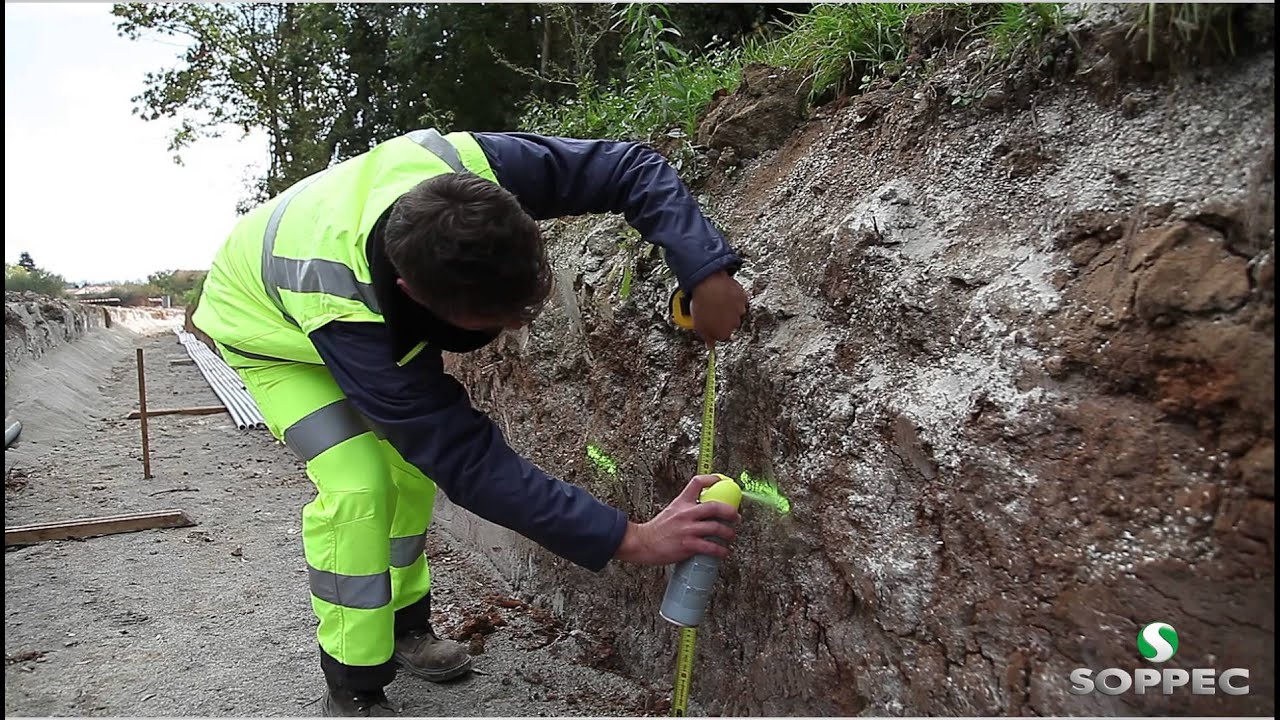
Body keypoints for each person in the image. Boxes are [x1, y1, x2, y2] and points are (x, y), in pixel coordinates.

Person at [191, 129, 750, 716]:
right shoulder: (350, 311)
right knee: (360, 484)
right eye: (492, 319)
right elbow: (465, 459)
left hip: (335, 296)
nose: (512, 328)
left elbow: (628, 165)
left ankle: (405, 625)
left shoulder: (474, 174)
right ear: (411, 294)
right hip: (270, 332)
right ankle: (353, 681)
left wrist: (703, 267)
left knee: (408, 474)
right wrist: (628, 538)